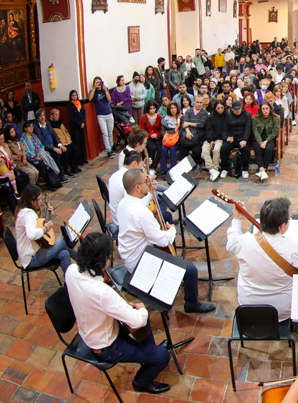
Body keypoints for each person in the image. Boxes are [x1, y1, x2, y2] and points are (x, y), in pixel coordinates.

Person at [65, 232, 171, 394]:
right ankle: (141, 381)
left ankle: (149, 356)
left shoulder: (71, 271)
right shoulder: (101, 292)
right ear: (104, 261)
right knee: (162, 356)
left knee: (142, 324)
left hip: (92, 329)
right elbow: (136, 321)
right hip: (106, 346)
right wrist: (142, 308)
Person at [117, 169, 215, 314]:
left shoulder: (124, 202)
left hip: (129, 256)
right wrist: (173, 230)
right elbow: (162, 240)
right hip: (140, 262)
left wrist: (150, 192)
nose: (148, 183)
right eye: (145, 182)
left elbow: (142, 205)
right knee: (191, 271)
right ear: (137, 187)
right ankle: (191, 304)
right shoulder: (141, 213)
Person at [226, 197, 298, 321]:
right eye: (290, 218)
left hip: (247, 306)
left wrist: (236, 218)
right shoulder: (295, 249)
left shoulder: (244, 241)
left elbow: (232, 240)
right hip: (281, 311)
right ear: (282, 226)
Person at [14, 184, 77, 275]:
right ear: (30, 200)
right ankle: (84, 264)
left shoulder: (23, 209)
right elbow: (31, 234)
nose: (40, 202)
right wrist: (46, 228)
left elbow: (36, 224)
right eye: (38, 199)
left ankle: (69, 282)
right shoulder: (29, 214)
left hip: (33, 253)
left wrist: (46, 216)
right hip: (31, 258)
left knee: (64, 254)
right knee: (63, 241)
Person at [34, 109, 73, 181]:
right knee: (57, 154)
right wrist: (53, 148)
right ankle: (58, 175)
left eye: (43, 115)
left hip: (53, 145)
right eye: (40, 116)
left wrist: (59, 145)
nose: (42, 118)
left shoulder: (47, 123)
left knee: (65, 150)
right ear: (37, 118)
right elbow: (41, 141)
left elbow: (54, 134)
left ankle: (66, 170)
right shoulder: (36, 127)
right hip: (45, 149)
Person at [220, 100, 253, 179]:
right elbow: (224, 129)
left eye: (238, 109)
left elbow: (248, 129)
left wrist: (245, 139)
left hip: (242, 137)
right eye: (235, 109)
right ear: (232, 109)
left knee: (245, 149)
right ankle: (224, 168)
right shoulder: (228, 116)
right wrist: (226, 138)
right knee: (224, 148)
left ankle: (245, 169)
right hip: (232, 138)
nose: (237, 111)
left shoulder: (247, 115)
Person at [48, 109, 82, 175]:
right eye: (55, 115)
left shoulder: (60, 122)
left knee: (75, 149)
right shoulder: (50, 125)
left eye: (58, 115)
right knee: (67, 151)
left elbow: (65, 131)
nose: (57, 116)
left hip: (67, 141)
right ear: (52, 115)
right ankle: (67, 169)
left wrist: (69, 138)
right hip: (61, 143)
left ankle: (75, 166)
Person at [89, 76, 116, 158]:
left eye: (99, 82)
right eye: (96, 82)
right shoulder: (93, 91)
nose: (98, 84)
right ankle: (108, 150)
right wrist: (94, 88)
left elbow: (109, 99)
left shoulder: (105, 89)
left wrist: (105, 90)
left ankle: (111, 147)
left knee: (110, 132)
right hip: (100, 115)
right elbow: (90, 98)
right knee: (105, 133)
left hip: (108, 113)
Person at [252, 102, 279, 181]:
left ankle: (264, 169)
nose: (265, 110)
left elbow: (275, 131)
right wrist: (260, 142)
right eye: (263, 109)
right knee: (257, 148)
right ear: (260, 110)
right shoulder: (255, 118)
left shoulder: (274, 117)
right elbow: (255, 131)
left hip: (269, 138)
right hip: (258, 138)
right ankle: (262, 169)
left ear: (270, 109)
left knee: (268, 149)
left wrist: (266, 141)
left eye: (267, 108)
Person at [178, 96, 208, 168]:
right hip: (187, 134)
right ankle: (192, 163)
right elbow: (184, 124)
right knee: (182, 150)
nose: (199, 104)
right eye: (197, 102)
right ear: (194, 102)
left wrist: (189, 123)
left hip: (198, 135)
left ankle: (198, 163)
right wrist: (188, 132)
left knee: (196, 150)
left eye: (201, 102)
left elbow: (201, 125)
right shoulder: (188, 111)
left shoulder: (204, 113)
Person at [202, 100, 227, 181]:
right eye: (218, 108)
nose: (220, 110)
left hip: (220, 139)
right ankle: (212, 169)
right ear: (215, 108)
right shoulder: (210, 117)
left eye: (222, 108)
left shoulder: (226, 117)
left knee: (216, 149)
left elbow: (225, 130)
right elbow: (208, 129)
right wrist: (210, 140)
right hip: (210, 138)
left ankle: (216, 168)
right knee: (205, 150)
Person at [139, 100, 162, 171]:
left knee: (160, 149)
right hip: (147, 138)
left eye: (153, 108)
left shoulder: (159, 117)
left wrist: (157, 135)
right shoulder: (144, 117)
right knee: (152, 148)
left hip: (157, 138)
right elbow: (142, 131)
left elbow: (162, 130)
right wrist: (149, 135)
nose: (152, 110)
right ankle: (150, 166)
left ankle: (154, 168)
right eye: (150, 109)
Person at [159, 101, 181, 175]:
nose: (173, 110)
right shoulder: (165, 118)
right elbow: (162, 130)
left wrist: (175, 137)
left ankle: (173, 169)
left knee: (172, 149)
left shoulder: (180, 117)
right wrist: (165, 137)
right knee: (163, 149)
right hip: (167, 136)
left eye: (174, 108)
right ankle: (163, 170)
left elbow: (181, 130)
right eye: (171, 108)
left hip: (176, 137)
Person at [67, 90, 88, 165]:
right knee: (77, 143)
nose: (74, 97)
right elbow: (72, 117)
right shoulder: (70, 106)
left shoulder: (80, 103)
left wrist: (83, 122)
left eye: (75, 95)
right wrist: (79, 123)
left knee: (82, 142)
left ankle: (84, 158)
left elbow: (84, 113)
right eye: (73, 95)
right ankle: (79, 160)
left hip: (81, 126)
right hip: (75, 127)